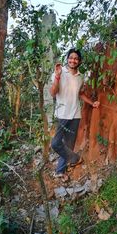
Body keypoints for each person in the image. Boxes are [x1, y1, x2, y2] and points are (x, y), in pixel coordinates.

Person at [50, 48, 100, 181]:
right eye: (71, 58)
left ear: (79, 61)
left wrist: (92, 103)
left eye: (76, 58)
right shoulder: (60, 72)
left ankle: (60, 171)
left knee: (69, 144)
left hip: (75, 115)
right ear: (67, 59)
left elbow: (80, 94)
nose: (73, 60)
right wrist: (57, 76)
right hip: (62, 114)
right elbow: (53, 93)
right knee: (55, 143)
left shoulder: (80, 76)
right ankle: (75, 158)